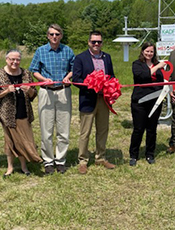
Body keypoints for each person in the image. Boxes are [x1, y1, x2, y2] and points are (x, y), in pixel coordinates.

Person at [29, 24, 75, 175]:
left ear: (61, 35)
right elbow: (34, 70)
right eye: (51, 34)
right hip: (46, 92)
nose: (54, 37)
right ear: (47, 36)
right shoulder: (41, 51)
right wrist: (43, 79)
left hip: (63, 91)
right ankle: (48, 160)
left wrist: (68, 77)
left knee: (63, 129)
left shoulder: (67, 50)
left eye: (57, 34)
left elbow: (74, 68)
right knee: (46, 130)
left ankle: (60, 160)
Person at [0, 50, 42, 178]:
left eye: (17, 59)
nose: (15, 62)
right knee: (10, 141)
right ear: (6, 59)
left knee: (24, 139)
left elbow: (34, 94)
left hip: (23, 111)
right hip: (6, 114)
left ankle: (24, 166)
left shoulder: (26, 74)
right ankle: (10, 167)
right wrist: (7, 91)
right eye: (12, 59)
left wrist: (29, 90)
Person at [72, 31, 116, 174]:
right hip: (88, 99)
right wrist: (91, 84)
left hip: (104, 99)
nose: (96, 44)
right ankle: (83, 160)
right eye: (93, 42)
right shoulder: (80, 58)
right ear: (88, 42)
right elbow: (76, 79)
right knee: (85, 132)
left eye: (99, 42)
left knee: (103, 129)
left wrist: (111, 89)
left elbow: (112, 77)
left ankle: (100, 158)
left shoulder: (107, 57)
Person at [129, 42, 166, 166]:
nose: (149, 54)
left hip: (155, 101)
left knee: (152, 129)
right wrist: (157, 67)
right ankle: (133, 155)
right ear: (142, 51)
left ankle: (150, 154)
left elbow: (163, 81)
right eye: (147, 51)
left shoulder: (157, 64)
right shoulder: (137, 64)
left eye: (151, 51)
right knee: (138, 129)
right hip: (140, 101)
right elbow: (143, 76)